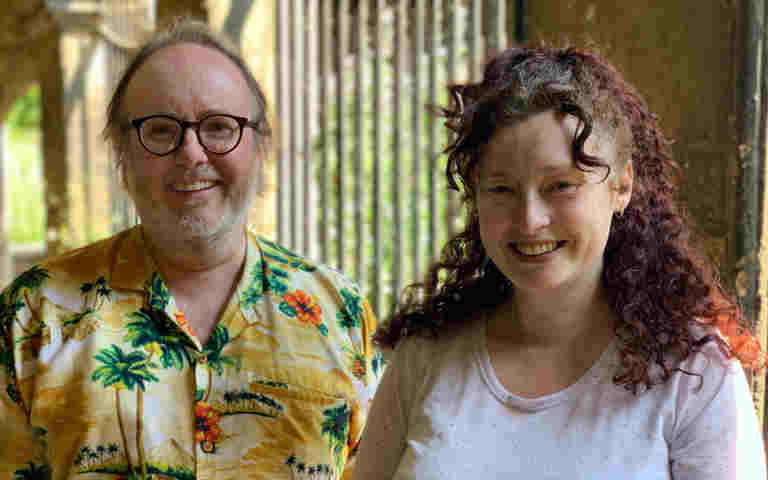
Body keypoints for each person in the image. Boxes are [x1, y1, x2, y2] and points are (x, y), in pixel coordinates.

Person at [354, 46, 767, 479]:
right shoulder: (424, 357)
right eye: (501, 189)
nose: (530, 219)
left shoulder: (694, 374)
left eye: (561, 186)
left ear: (622, 184)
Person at [0, 19, 382, 480]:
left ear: (261, 146)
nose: (192, 153)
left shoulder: (339, 314)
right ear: (121, 152)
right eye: (161, 131)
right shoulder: (32, 317)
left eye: (219, 127)